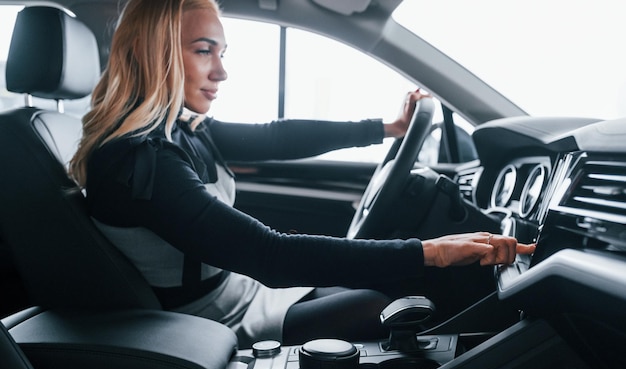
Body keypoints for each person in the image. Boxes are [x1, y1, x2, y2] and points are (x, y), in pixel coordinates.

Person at [69, 0, 535, 348]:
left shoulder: (181, 130)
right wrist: (430, 252)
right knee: (387, 306)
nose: (222, 71)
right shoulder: (139, 160)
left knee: (396, 290)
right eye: (204, 51)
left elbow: (276, 136)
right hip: (214, 319)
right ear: (156, 53)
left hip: (244, 291)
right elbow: (269, 254)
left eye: (222, 52)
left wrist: (385, 128)